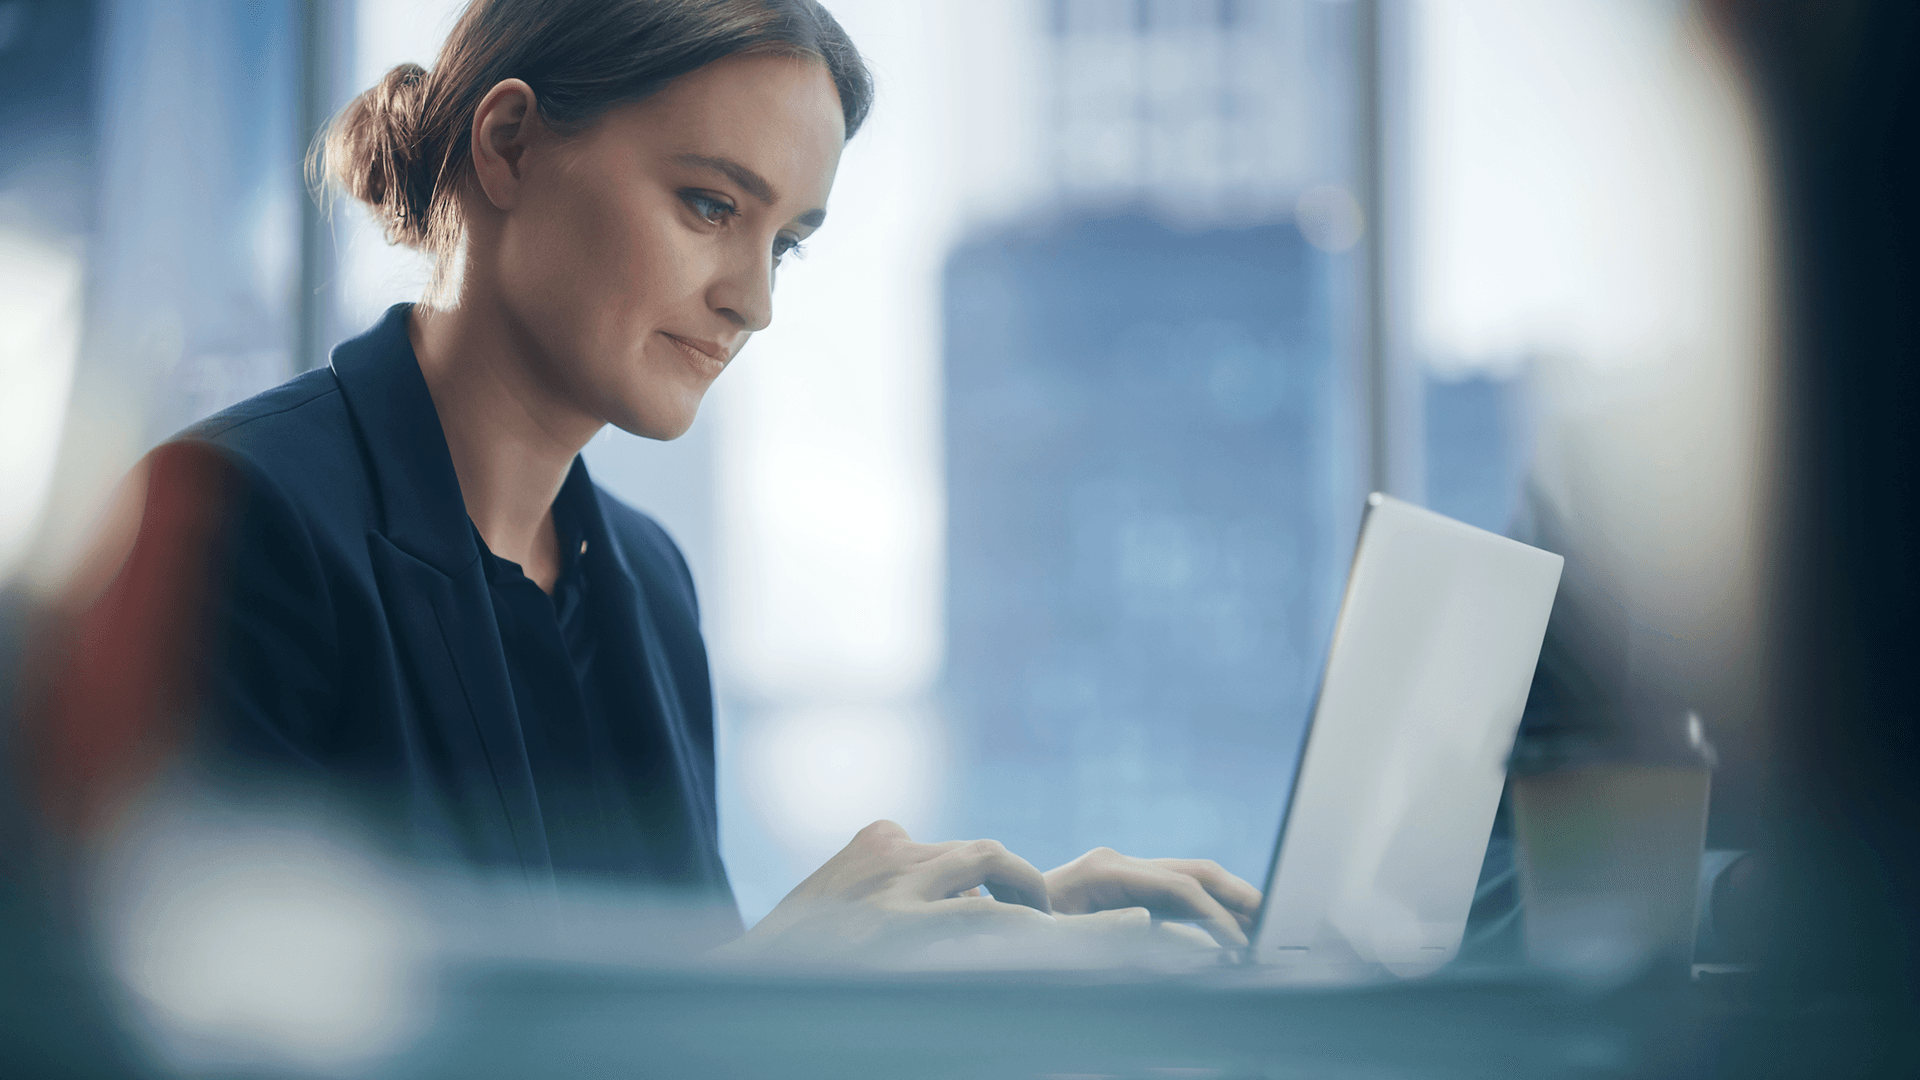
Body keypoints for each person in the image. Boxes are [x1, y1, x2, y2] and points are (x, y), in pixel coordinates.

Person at [138, 0, 1260, 961]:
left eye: (786, 243)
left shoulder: (645, 584)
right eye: (712, 207)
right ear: (511, 145)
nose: (754, 302)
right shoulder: (230, 525)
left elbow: (659, 1034)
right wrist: (773, 981)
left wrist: (990, 943)